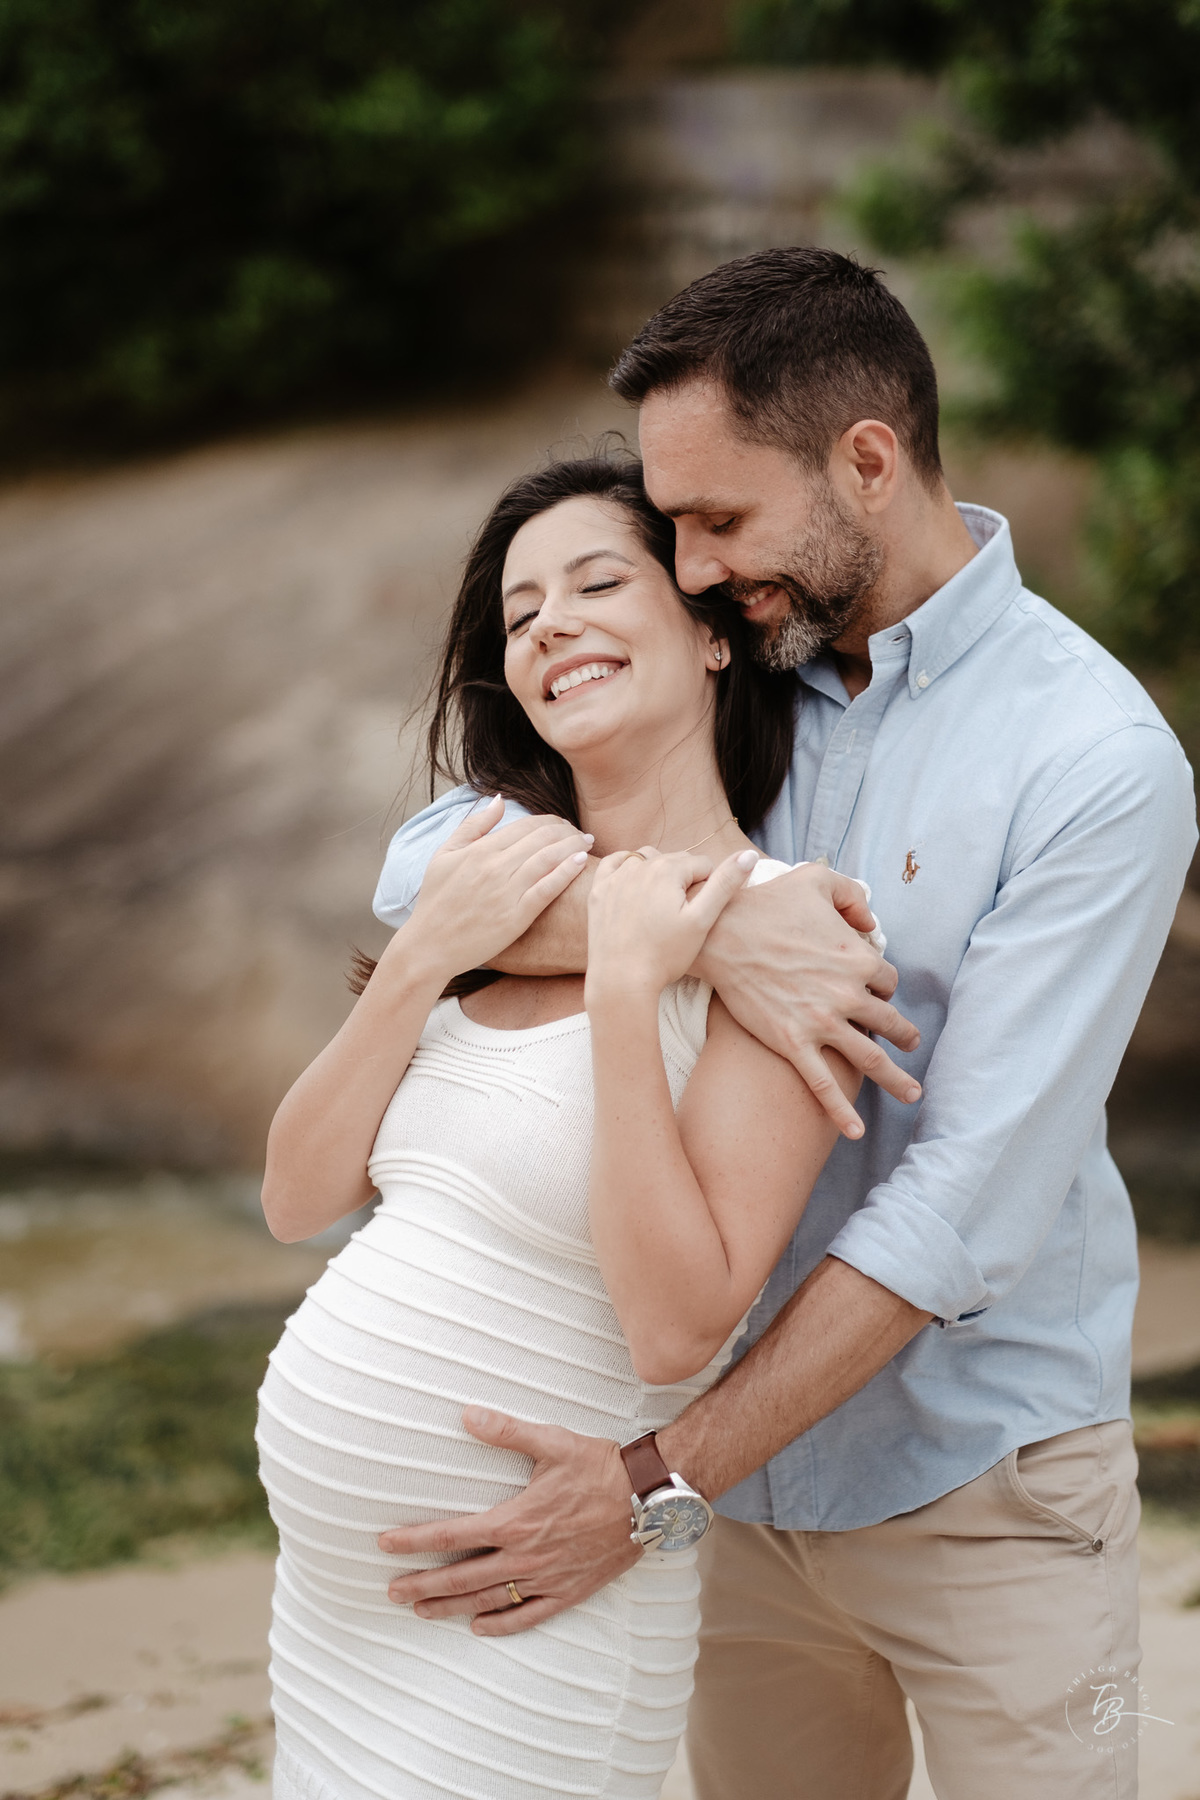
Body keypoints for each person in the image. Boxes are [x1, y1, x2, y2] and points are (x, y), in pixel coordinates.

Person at [372, 249, 1198, 1800]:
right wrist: (719, 929)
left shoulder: (1095, 760)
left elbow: (967, 1205)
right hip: (736, 1500)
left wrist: (647, 1486)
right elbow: (426, 867)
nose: (686, 568)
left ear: (866, 464)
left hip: (985, 1482)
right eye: (672, 527)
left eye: (718, 520)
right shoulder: (740, 673)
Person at [255, 454, 894, 1800]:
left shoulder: (786, 931)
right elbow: (297, 1196)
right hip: (339, 1624)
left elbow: (679, 1330)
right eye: (520, 613)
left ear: (713, 633)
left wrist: (624, 991)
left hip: (531, 1610)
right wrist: (428, 952)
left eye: (599, 583)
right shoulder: (485, 883)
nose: (549, 625)